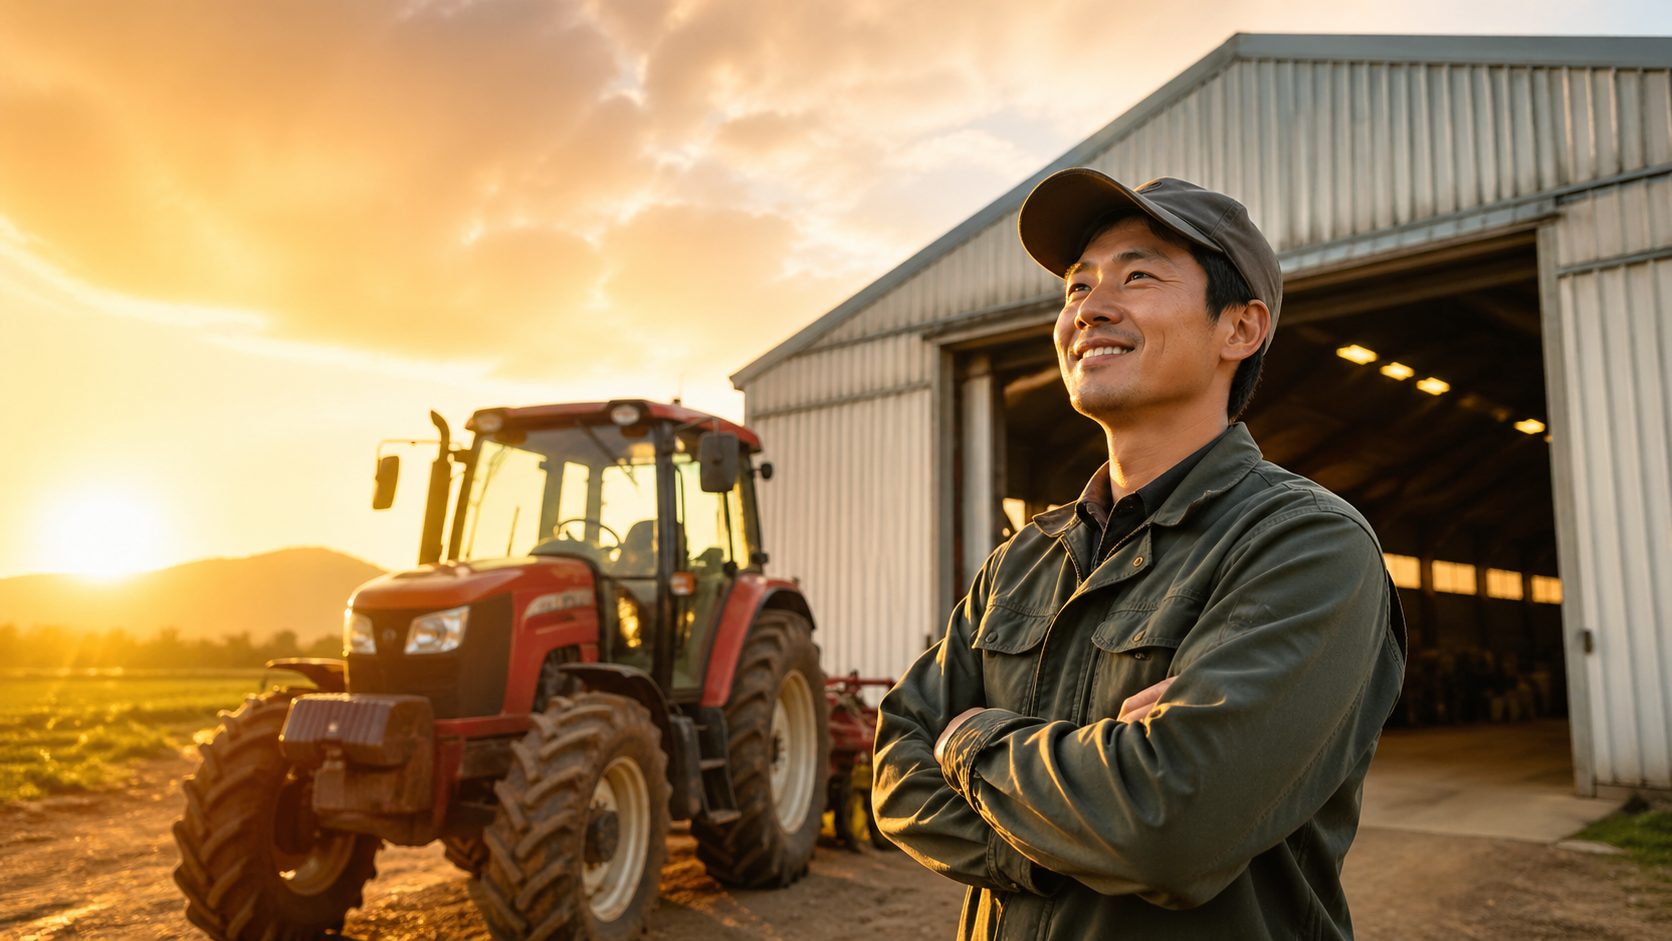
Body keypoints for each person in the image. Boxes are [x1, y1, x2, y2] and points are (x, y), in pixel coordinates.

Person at [872, 169, 1407, 940]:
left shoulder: (1306, 544)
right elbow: (894, 762)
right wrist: (1065, 832)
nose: (1089, 306)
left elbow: (1169, 823)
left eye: (1138, 275)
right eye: (1075, 288)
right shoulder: (1025, 557)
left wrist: (970, 737)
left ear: (1240, 329)